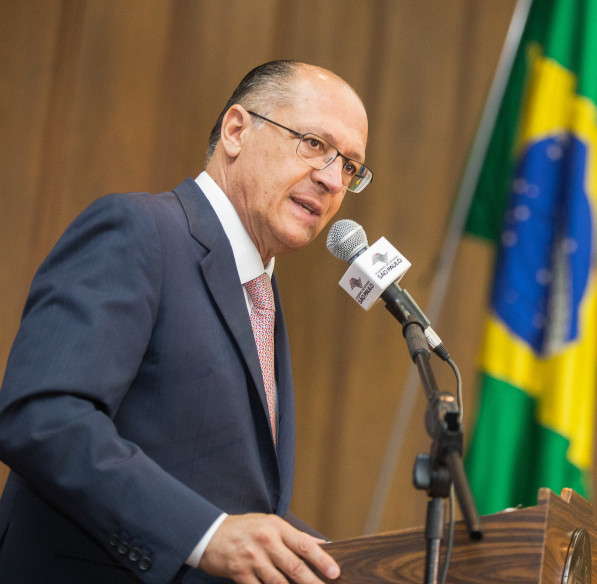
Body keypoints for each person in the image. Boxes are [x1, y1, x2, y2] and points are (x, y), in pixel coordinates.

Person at [0, 60, 372, 583]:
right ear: (237, 131)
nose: (332, 179)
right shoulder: (141, 231)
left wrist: (357, 569)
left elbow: (229, 497)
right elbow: (42, 417)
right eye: (313, 143)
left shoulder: (259, 292)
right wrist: (205, 532)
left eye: (350, 166)